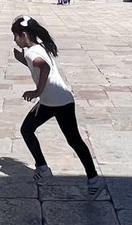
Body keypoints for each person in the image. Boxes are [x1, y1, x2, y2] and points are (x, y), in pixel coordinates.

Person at [10, 15, 104, 195]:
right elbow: (38, 64)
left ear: (24, 35)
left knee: (28, 130)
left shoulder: (31, 52)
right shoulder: (39, 47)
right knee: (73, 140)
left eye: (16, 36)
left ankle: (44, 169)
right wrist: (22, 60)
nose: (15, 40)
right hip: (61, 99)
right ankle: (93, 179)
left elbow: (43, 67)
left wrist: (36, 91)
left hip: (52, 101)